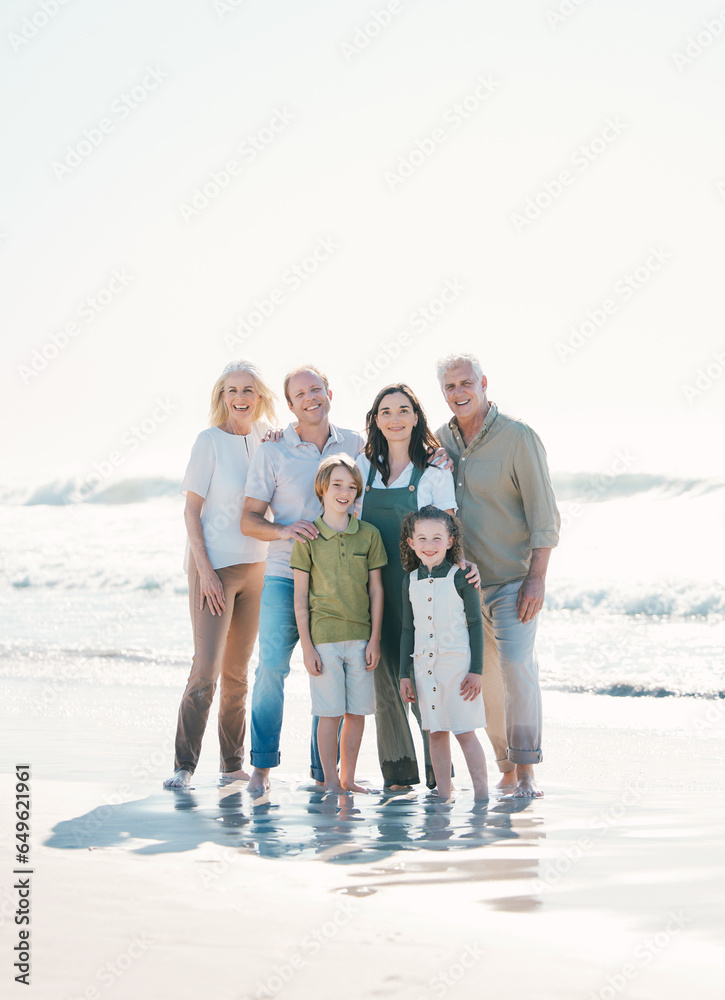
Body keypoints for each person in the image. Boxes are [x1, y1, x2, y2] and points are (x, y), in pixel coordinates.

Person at [435, 353, 560, 797]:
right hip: (464, 588)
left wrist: (537, 578)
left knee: (515, 666)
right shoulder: (439, 443)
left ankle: (526, 770)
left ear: (483, 383)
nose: (459, 393)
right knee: (484, 681)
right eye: (449, 387)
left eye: (466, 383)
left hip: (512, 581)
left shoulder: (518, 437)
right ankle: (506, 767)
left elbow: (544, 515)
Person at [241, 366, 364, 796]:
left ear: (329, 392)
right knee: (271, 669)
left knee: (326, 669)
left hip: (337, 583)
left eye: (317, 389)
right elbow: (248, 520)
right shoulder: (271, 450)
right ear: (290, 405)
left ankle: (322, 772)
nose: (311, 398)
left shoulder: (356, 443)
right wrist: (285, 530)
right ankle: (261, 767)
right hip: (282, 575)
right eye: (301, 394)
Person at [354, 383, 476, 791]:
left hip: (422, 591)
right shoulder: (361, 467)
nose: (395, 419)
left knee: (426, 679)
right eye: (385, 411)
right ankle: (398, 774)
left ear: (416, 416)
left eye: (403, 410)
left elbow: (451, 533)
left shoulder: (436, 471)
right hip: (369, 588)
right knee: (384, 681)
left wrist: (463, 570)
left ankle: (439, 778)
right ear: (375, 420)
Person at [163, 361, 278, 789]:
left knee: (238, 673)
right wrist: (206, 571)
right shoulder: (208, 441)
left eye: (248, 389)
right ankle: (183, 766)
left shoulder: (269, 437)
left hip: (258, 567)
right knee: (207, 667)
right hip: (213, 567)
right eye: (232, 390)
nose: (241, 397)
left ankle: (231, 765)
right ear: (222, 396)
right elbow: (191, 510)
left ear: (260, 395)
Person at [291, 455, 386, 793]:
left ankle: (348, 779)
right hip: (324, 640)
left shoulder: (369, 535)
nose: (344, 492)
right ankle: (330, 781)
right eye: (337, 485)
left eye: (351, 487)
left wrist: (374, 640)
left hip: (361, 640)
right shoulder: (308, 536)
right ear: (322, 489)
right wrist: (307, 646)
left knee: (357, 713)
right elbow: (300, 597)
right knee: (329, 714)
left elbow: (376, 590)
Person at [399, 506, 488, 802]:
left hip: (459, 669)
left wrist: (477, 670)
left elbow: (476, 624)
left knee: (464, 731)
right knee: (435, 732)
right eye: (422, 538)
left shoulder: (461, 577)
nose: (429, 545)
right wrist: (404, 675)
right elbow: (408, 630)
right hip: (425, 669)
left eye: (437, 538)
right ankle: (444, 795)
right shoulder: (409, 581)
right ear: (411, 543)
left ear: (450, 541)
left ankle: (482, 796)